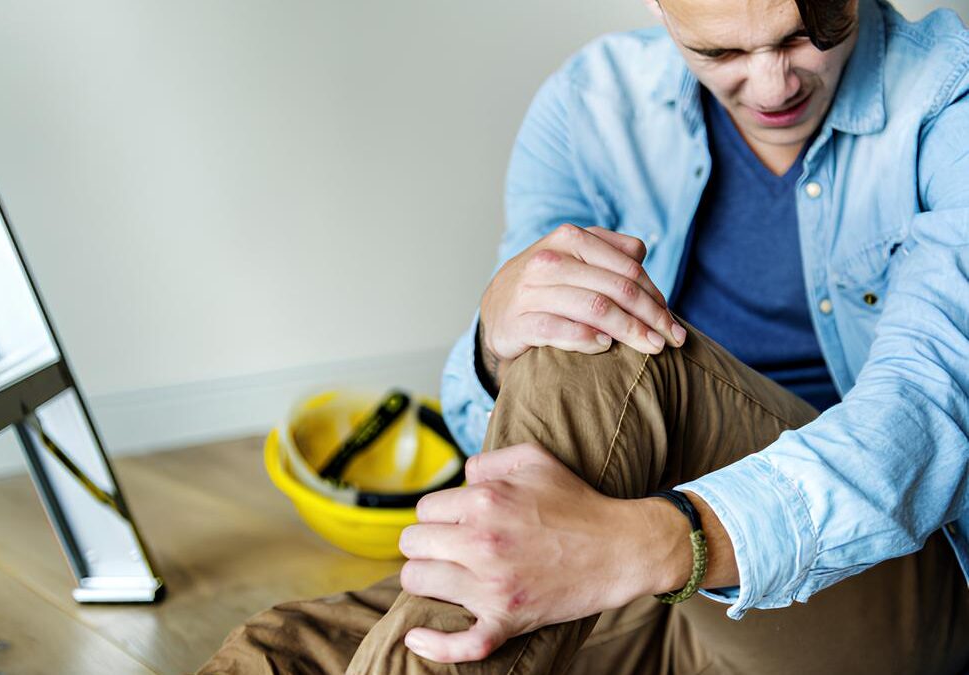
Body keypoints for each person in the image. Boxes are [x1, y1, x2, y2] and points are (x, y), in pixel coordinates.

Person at [198, 0, 969, 672]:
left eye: (806, 34)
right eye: (722, 52)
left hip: (871, 588)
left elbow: (926, 420)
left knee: (598, 342)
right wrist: (495, 342)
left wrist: (658, 542)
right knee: (283, 649)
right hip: (646, 593)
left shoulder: (946, 97)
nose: (773, 85)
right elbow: (503, 439)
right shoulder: (589, 106)